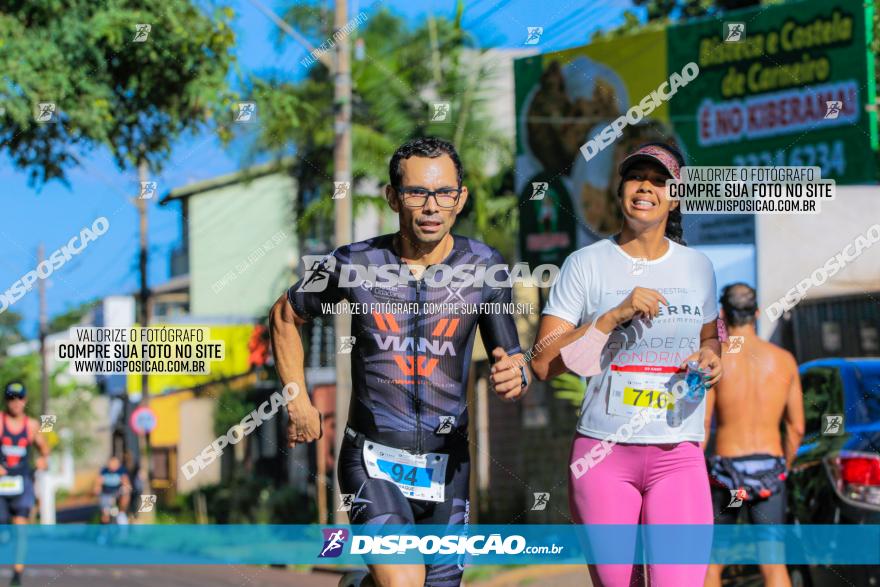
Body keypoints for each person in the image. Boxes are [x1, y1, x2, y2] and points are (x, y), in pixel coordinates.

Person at [269, 137, 531, 587]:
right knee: (404, 582)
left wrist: (517, 373)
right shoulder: (354, 262)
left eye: (445, 192)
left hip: (448, 466)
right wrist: (297, 400)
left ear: (461, 198)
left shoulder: (485, 266)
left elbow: (512, 354)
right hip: (371, 459)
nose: (432, 206)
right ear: (393, 197)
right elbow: (284, 314)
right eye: (416, 193)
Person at [531, 143, 722, 587]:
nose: (646, 188)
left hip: (678, 455)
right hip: (603, 454)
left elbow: (712, 339)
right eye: (637, 177)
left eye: (659, 181)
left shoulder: (698, 267)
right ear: (621, 190)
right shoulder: (585, 265)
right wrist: (611, 316)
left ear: (675, 197)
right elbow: (542, 362)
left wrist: (711, 359)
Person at [703, 283, 804, 587]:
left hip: (726, 473)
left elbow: (704, 424)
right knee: (773, 564)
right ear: (758, 312)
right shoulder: (784, 360)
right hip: (769, 470)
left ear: (723, 314)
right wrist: (782, 468)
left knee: (711, 564)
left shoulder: (716, 360)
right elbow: (797, 427)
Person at [0, 383, 50, 587]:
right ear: (6, 401)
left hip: (22, 484)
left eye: (19, 398)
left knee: (21, 530)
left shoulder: (31, 426)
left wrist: (42, 460)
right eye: (11, 398)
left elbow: (45, 450)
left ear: (25, 400)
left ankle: (17, 574)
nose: (16, 402)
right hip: (1, 486)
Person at [93, 455, 132, 524]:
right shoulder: (104, 471)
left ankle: (121, 513)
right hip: (106, 494)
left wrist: (126, 486)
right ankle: (104, 530)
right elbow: (98, 483)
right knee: (105, 513)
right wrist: (97, 488)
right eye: (111, 464)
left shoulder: (122, 471)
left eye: (114, 464)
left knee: (125, 492)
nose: (112, 466)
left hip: (117, 493)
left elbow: (126, 483)